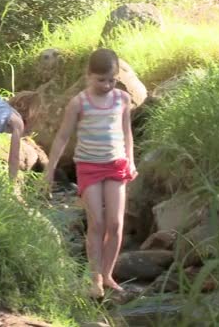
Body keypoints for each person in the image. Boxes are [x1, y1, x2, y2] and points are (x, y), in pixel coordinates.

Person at [46, 48, 138, 297]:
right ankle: (94, 278)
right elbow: (63, 136)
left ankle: (107, 275)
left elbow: (127, 132)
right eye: (101, 80)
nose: (107, 85)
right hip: (88, 166)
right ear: (88, 75)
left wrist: (131, 160)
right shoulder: (79, 102)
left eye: (112, 79)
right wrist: (50, 169)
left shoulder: (122, 99)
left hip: (116, 164)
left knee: (116, 223)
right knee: (96, 222)